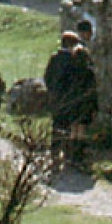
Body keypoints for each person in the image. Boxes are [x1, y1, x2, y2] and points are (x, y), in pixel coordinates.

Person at [43, 31, 97, 165]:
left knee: (57, 125)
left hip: (56, 97)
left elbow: (47, 77)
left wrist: (52, 92)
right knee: (70, 127)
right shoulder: (74, 63)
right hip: (71, 100)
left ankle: (55, 152)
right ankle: (71, 155)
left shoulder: (55, 58)